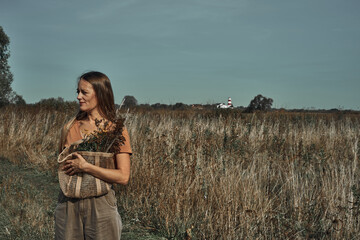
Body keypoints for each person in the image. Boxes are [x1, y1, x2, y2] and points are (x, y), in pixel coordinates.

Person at [54, 71, 132, 240]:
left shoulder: (116, 131)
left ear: (100, 94)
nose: (78, 97)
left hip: (101, 204)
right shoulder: (69, 127)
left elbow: (123, 176)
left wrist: (86, 167)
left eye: (84, 92)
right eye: (78, 92)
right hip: (69, 203)